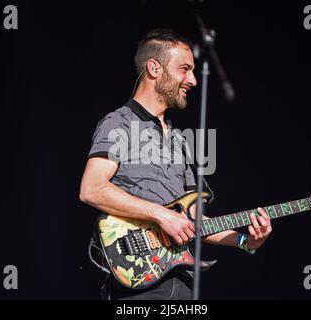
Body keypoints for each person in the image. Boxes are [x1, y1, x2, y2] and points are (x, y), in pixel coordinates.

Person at [79, 29, 272, 300]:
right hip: (138, 279)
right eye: (184, 69)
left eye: (193, 71)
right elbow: (91, 189)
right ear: (154, 68)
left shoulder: (179, 141)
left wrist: (244, 241)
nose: (193, 80)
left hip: (179, 282)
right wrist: (161, 214)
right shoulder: (119, 123)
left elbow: (192, 221)